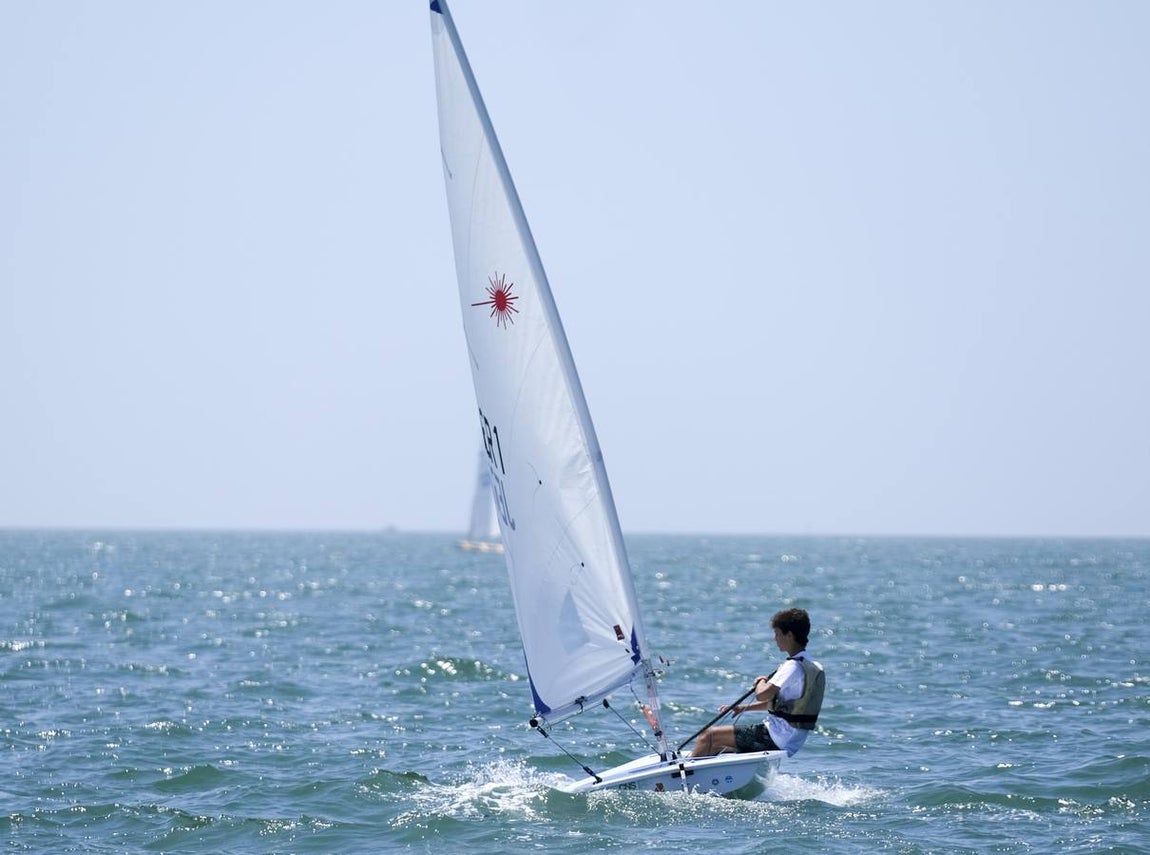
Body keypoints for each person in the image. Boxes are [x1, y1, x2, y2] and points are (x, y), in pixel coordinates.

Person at [689, 607, 825, 758]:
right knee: (717, 747)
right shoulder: (810, 664)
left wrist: (760, 681)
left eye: (777, 633)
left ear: (790, 635)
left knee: (708, 736)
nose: (775, 638)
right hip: (791, 740)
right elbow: (784, 706)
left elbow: (762, 694)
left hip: (774, 736)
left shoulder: (792, 666)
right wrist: (743, 709)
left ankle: (680, 776)